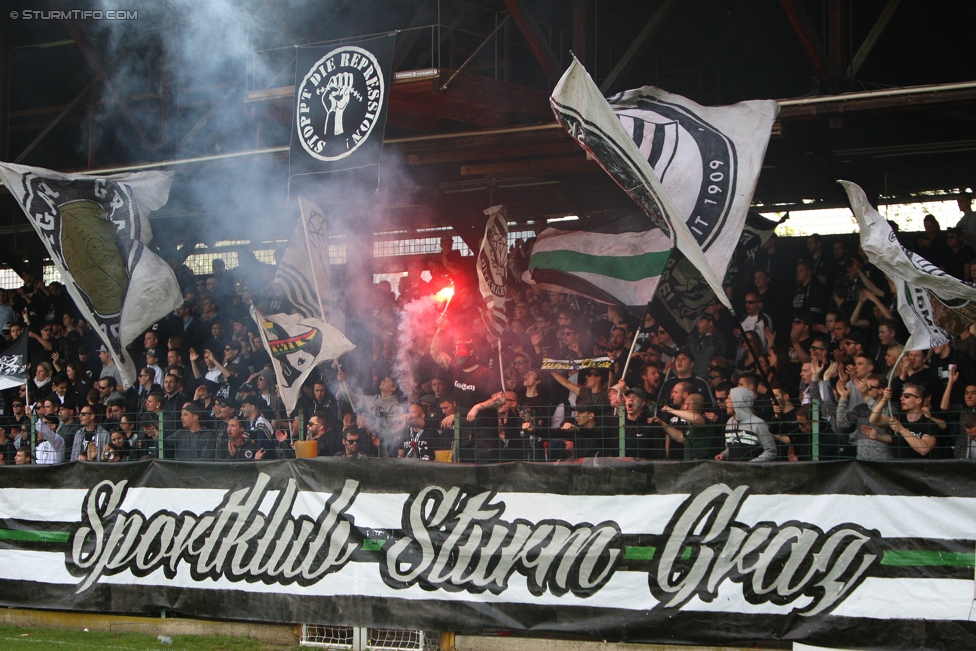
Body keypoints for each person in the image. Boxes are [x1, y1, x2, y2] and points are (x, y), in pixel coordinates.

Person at [715, 387, 776, 462]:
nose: (726, 401)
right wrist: (724, 454)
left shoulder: (758, 424)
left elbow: (771, 451)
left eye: (729, 399)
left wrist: (752, 464)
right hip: (733, 471)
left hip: (754, 471)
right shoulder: (730, 422)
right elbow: (730, 447)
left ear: (739, 402)